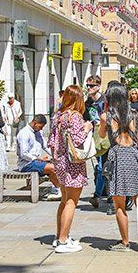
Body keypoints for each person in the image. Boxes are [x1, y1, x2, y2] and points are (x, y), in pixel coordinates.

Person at [97, 81, 138, 251]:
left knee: (119, 205)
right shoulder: (135, 115)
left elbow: (101, 135)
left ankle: (125, 242)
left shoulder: (106, 117)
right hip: (134, 157)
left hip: (117, 158)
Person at [48, 86, 90, 253]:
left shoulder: (57, 116)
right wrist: (87, 128)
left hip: (60, 161)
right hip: (73, 163)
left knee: (64, 200)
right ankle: (63, 241)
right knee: (72, 201)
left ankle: (60, 236)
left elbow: (51, 141)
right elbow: (78, 139)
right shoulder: (75, 116)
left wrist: (56, 159)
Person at [84, 75, 107, 210]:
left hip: (106, 138)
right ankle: (99, 193)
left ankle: (99, 194)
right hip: (94, 138)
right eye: (87, 85)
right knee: (100, 167)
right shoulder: (87, 103)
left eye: (91, 85)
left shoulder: (104, 101)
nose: (89, 88)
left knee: (103, 166)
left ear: (98, 86)